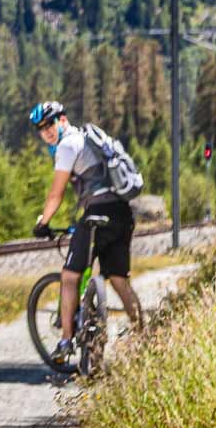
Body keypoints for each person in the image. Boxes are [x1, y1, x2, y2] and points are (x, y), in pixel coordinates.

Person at [29, 101, 142, 363]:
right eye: (40, 128)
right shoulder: (88, 140)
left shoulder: (67, 145)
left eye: (49, 124)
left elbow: (56, 194)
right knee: (119, 280)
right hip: (122, 214)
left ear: (63, 119)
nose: (46, 131)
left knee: (69, 278)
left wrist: (43, 222)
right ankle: (145, 341)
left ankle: (66, 341)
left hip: (96, 214)